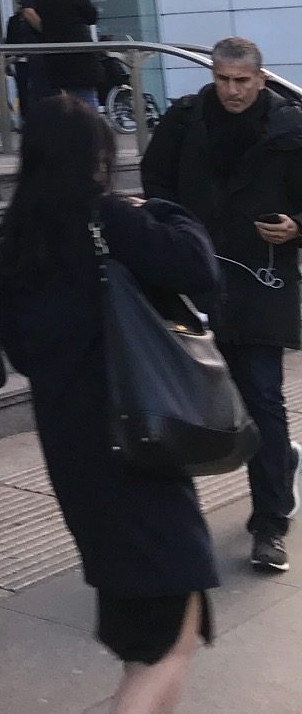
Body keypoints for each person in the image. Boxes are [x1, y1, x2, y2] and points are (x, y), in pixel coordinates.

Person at [0, 96, 221, 714]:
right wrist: (162, 209)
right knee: (173, 640)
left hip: (75, 457)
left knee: (141, 642)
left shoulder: (16, 240)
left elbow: (18, 349)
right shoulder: (109, 220)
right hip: (141, 446)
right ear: (96, 156)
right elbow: (200, 267)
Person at [141, 37, 302, 573]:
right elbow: (155, 178)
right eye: (223, 79)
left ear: (261, 79)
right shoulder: (186, 120)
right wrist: (171, 226)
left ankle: (271, 521)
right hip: (196, 282)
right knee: (189, 407)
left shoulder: (288, 128)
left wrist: (296, 229)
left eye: (242, 80)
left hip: (262, 282)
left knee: (263, 399)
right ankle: (179, 527)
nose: (232, 90)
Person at [35, 0, 101, 107]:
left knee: (65, 100)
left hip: (55, 52)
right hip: (79, 50)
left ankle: (70, 128)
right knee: (86, 98)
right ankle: (91, 128)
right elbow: (92, 16)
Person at [10, 0, 56, 109]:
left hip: (47, 45)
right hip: (36, 44)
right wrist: (47, 31)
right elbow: (28, 11)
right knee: (34, 86)